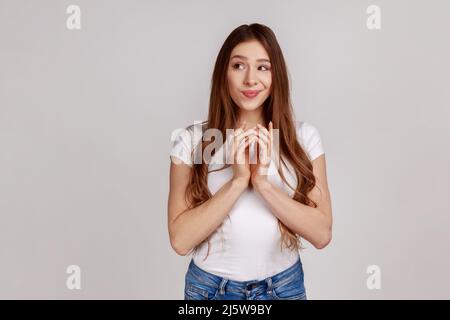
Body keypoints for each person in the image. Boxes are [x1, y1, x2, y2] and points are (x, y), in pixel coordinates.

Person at [168, 23, 333, 300]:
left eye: (262, 67)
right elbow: (180, 240)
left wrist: (262, 184)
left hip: (284, 287)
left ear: (275, 75)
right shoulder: (196, 140)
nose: (250, 80)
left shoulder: (302, 139)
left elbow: (321, 233)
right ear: (224, 74)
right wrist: (238, 181)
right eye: (238, 66)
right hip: (210, 291)